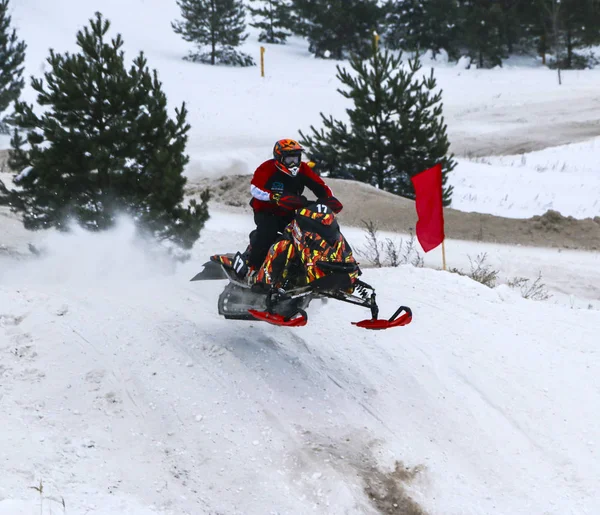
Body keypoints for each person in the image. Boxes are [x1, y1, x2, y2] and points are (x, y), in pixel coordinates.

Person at [233, 139, 342, 280]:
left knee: (309, 232)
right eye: (290, 158)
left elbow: (320, 185)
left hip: (290, 211)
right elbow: (255, 188)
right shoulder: (267, 168)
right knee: (268, 232)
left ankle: (315, 267)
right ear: (279, 158)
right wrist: (274, 197)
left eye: (296, 158)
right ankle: (251, 266)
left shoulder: (303, 169)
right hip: (266, 211)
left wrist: (329, 199)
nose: (293, 163)